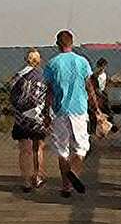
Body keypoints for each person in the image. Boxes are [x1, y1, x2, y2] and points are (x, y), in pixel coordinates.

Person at [43, 30, 100, 198]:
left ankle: (66, 186)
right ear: (72, 42)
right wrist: (96, 107)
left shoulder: (52, 64)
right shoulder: (82, 62)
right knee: (81, 147)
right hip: (79, 109)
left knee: (62, 149)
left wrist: (46, 112)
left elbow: (49, 91)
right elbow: (89, 86)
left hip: (59, 111)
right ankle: (74, 172)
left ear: (57, 44)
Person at [8, 49, 49, 192]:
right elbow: (49, 95)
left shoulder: (19, 75)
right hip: (39, 117)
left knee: (25, 150)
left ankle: (26, 180)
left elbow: (11, 95)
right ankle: (37, 177)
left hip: (22, 117)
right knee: (38, 148)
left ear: (26, 60)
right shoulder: (44, 76)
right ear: (39, 61)